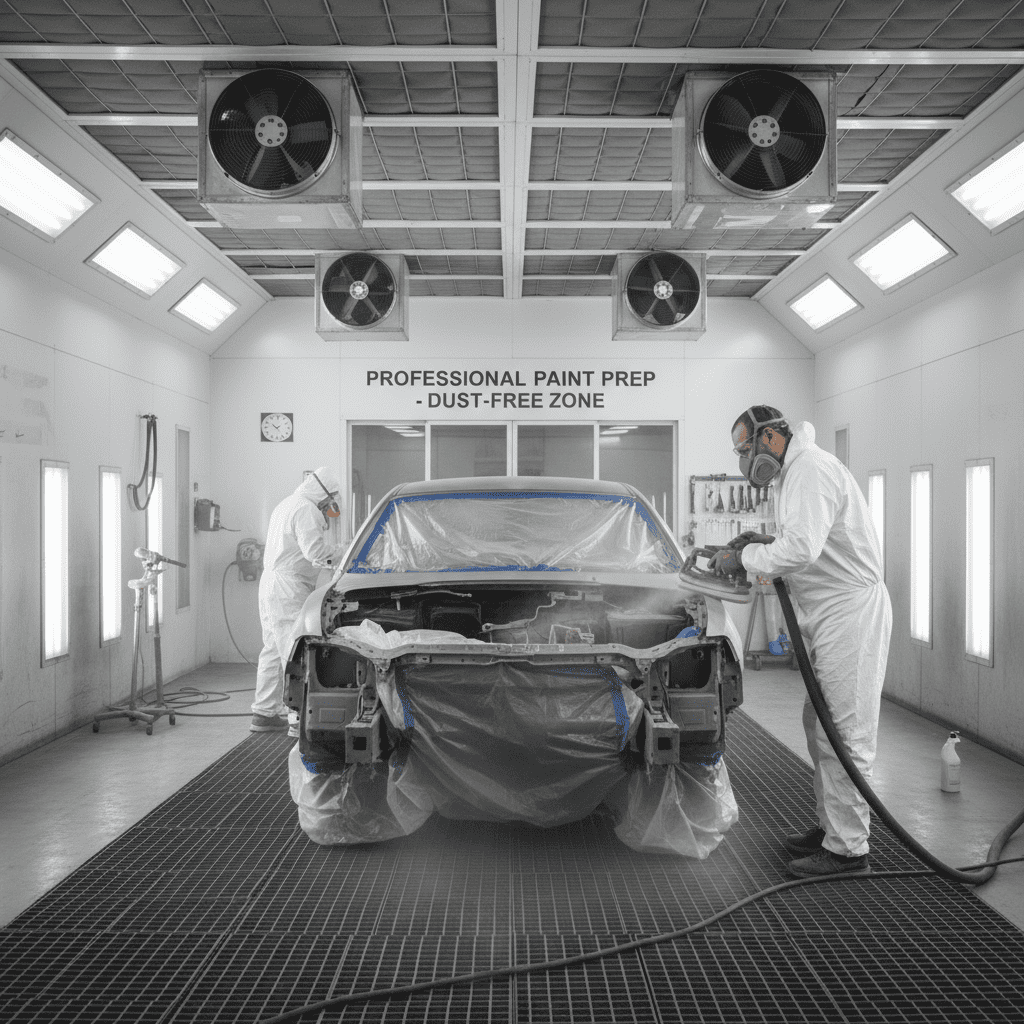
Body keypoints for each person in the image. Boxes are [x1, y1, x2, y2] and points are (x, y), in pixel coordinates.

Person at [710, 406, 892, 878]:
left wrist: (746, 555)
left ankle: (849, 851)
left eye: (746, 450)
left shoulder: (810, 470)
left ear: (771, 441)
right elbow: (805, 538)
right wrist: (760, 540)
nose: (745, 462)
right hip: (829, 610)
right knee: (820, 722)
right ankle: (832, 827)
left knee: (844, 734)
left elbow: (802, 550)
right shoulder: (796, 474)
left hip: (848, 613)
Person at [252, 468, 344, 734]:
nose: (329, 506)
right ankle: (297, 719)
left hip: (270, 583)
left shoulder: (286, 504)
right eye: (329, 499)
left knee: (272, 647)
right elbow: (315, 553)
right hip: (287, 588)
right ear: (321, 492)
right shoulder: (306, 510)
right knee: (294, 650)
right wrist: (343, 553)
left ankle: (264, 711)